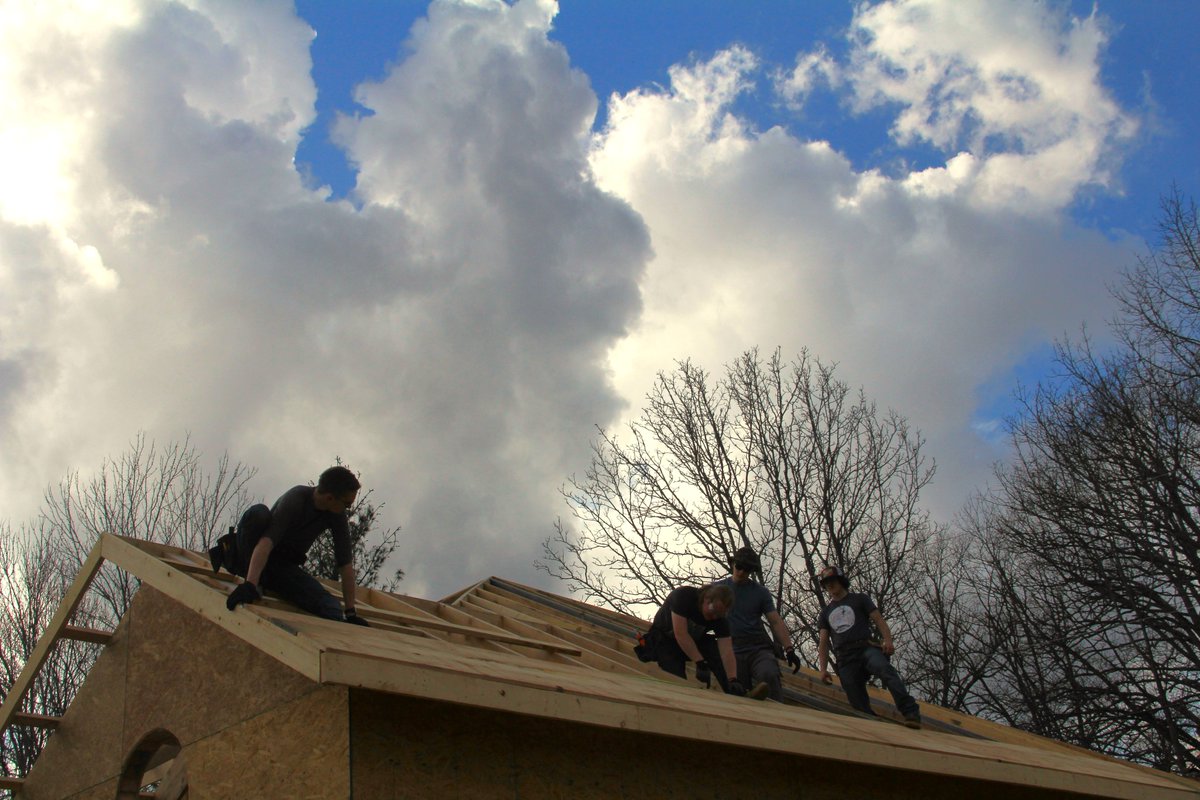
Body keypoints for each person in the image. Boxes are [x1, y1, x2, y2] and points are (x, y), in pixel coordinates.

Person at [211, 466, 369, 626]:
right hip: (252, 553)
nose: (347, 509)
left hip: (281, 567)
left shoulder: (336, 515)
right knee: (258, 514)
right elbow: (266, 542)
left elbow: (345, 564)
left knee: (332, 610)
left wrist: (350, 613)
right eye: (347, 505)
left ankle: (263, 580)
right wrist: (250, 584)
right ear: (330, 498)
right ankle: (251, 577)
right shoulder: (296, 499)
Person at [816, 565, 920, 728]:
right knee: (852, 691)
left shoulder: (859, 599)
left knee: (885, 670)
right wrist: (822, 669)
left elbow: (878, 620)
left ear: (841, 581)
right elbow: (823, 642)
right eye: (826, 583)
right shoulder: (825, 613)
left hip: (865, 648)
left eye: (833, 581)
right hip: (845, 657)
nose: (830, 585)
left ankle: (910, 712)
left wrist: (888, 640)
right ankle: (871, 722)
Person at [715, 546, 802, 701]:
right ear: (732, 564)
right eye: (739, 566)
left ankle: (779, 715)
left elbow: (775, 621)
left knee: (768, 674)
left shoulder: (760, 592)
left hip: (757, 648)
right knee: (738, 691)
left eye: (746, 569)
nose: (741, 572)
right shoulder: (717, 589)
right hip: (731, 649)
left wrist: (789, 649)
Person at [637, 584, 747, 696]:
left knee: (711, 645)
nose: (714, 617)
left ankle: (733, 690)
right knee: (676, 678)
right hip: (663, 638)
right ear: (706, 598)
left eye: (718, 615)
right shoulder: (684, 596)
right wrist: (700, 663)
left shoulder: (720, 619)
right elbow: (680, 633)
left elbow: (726, 650)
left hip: (691, 642)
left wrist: (733, 678)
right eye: (713, 611)